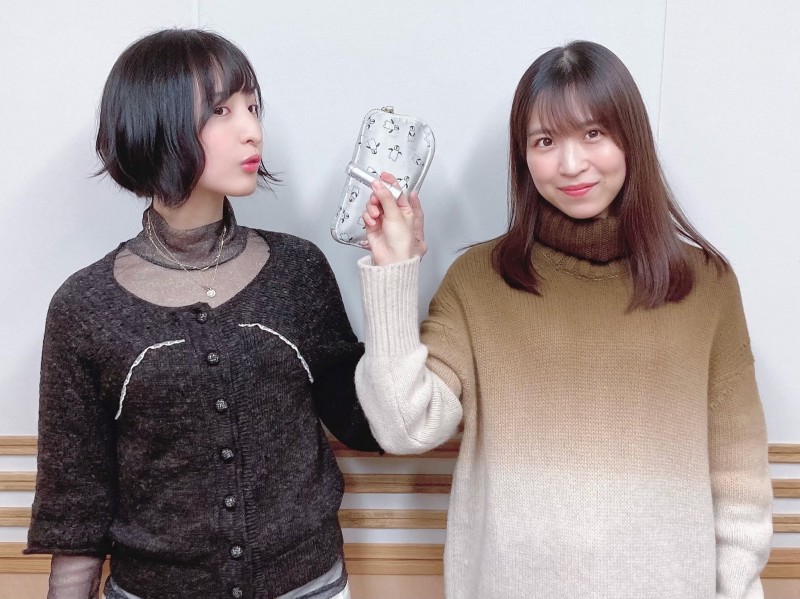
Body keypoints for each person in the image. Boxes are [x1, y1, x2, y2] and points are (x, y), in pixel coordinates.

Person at [355, 41, 773, 599]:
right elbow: (405, 427)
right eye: (546, 141)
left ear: (631, 139)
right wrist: (394, 270)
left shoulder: (706, 286)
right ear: (523, 156)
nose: (571, 164)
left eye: (593, 133)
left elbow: (740, 480)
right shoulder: (477, 282)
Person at [25, 28, 378, 599]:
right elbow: (76, 498)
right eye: (221, 110)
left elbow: (364, 422)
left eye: (253, 107)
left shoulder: (297, 270)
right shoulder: (84, 305)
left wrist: (392, 271)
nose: (252, 130)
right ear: (154, 123)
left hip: (307, 585)